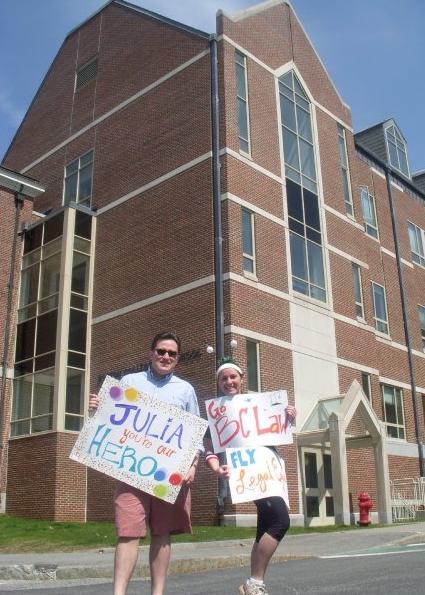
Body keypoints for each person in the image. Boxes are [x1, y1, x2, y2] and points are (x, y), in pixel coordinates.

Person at [89, 331, 201, 595]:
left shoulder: (185, 390)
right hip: (132, 472)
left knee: (162, 533)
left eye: (172, 353)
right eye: (161, 351)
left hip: (169, 475)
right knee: (128, 532)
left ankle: (157, 593)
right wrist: (96, 408)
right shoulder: (130, 381)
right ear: (151, 353)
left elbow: (195, 436)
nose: (166, 356)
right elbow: (110, 418)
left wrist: (193, 465)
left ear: (177, 358)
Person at [205, 359, 296, 595]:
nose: (229, 382)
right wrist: (216, 468)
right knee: (280, 522)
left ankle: (256, 585)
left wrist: (289, 416)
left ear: (241, 379)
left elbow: (280, 429)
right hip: (249, 473)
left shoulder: (260, 404)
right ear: (218, 382)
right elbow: (209, 448)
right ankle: (254, 583)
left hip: (270, 469)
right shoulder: (217, 411)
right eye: (223, 378)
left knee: (265, 525)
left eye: (233, 377)